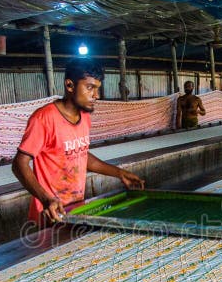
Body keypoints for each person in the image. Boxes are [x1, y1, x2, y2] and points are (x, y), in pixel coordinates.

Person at [12, 58, 144, 224]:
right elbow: (19, 164)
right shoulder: (44, 118)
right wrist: (46, 199)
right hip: (51, 213)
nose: (96, 95)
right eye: (90, 88)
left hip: (76, 210)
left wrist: (119, 173)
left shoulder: (85, 117)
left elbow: (80, 155)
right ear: (70, 85)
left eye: (97, 89)